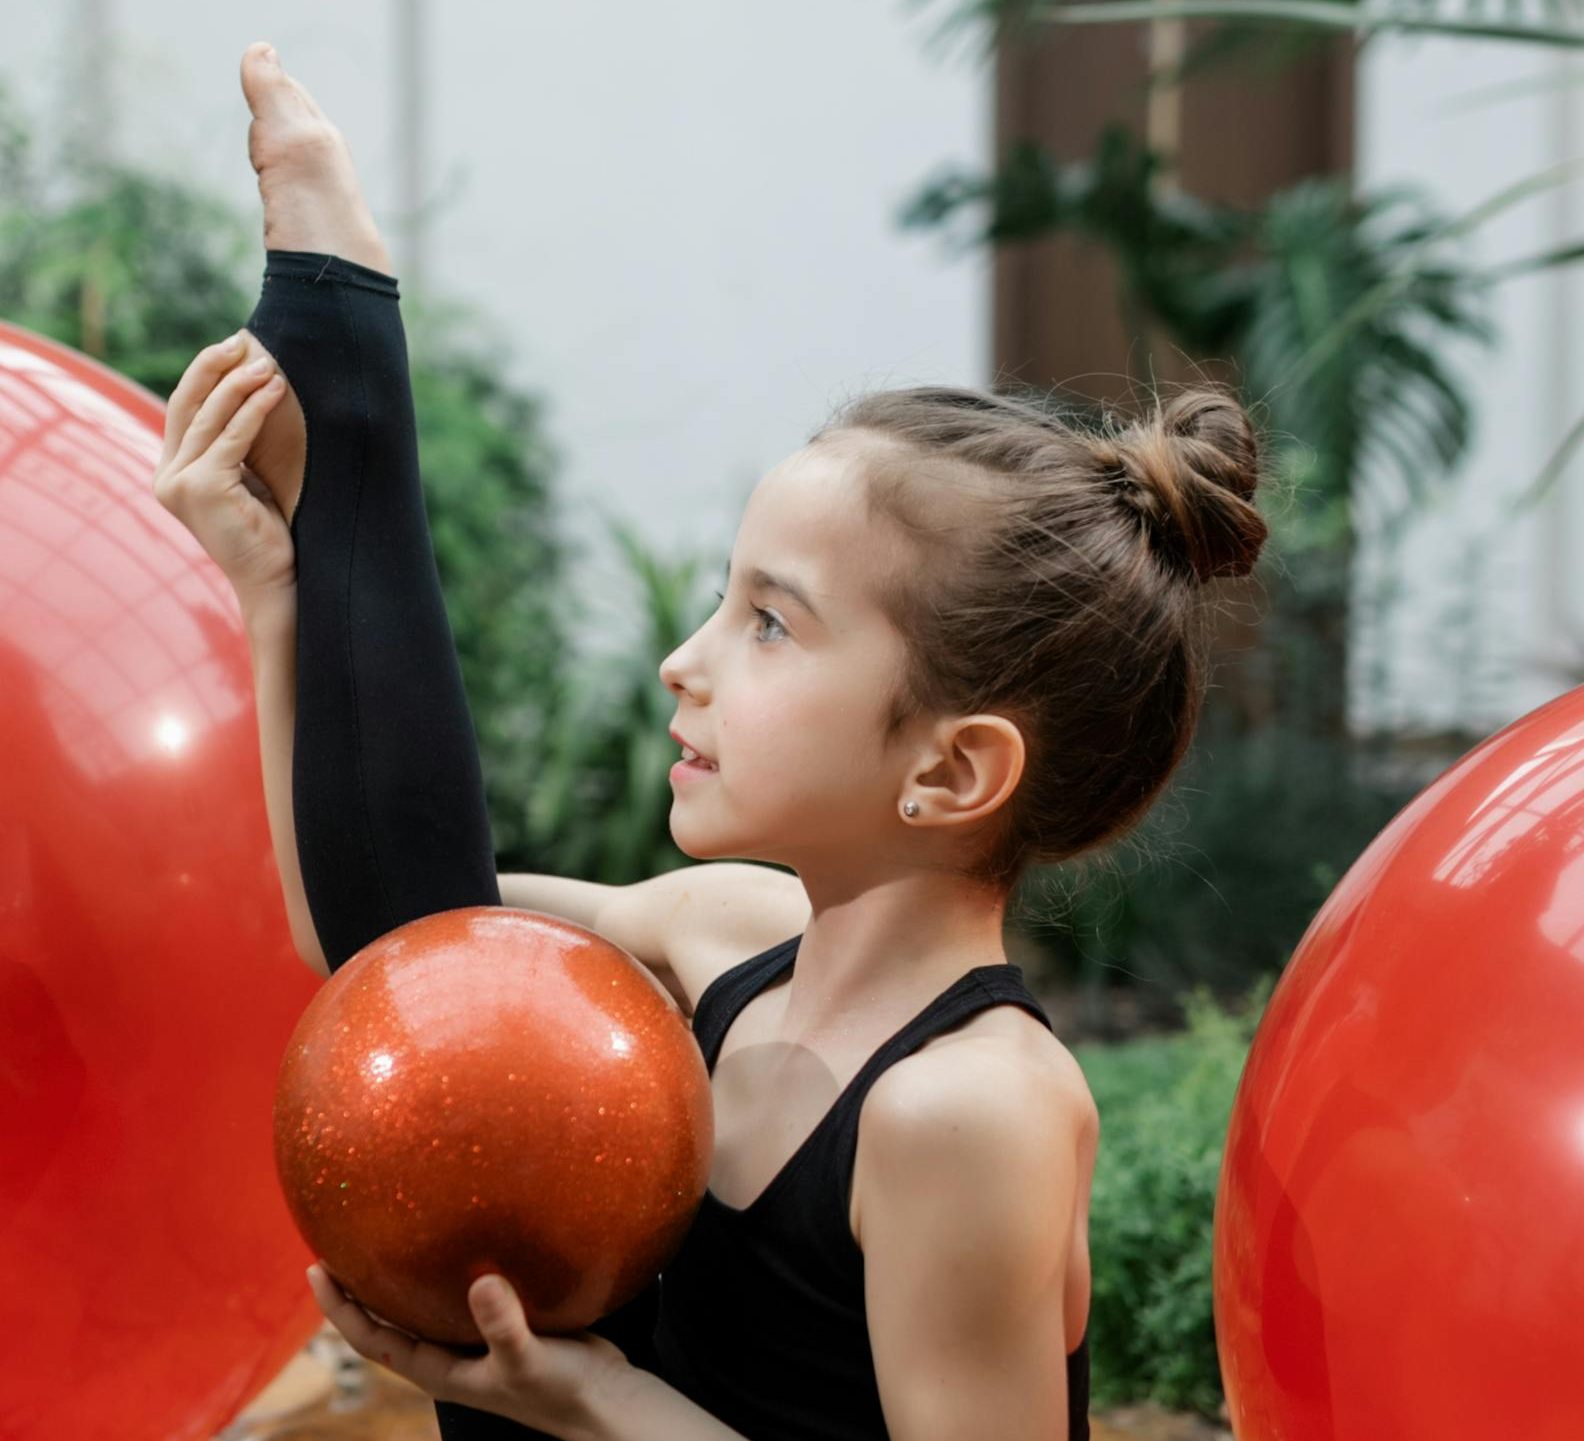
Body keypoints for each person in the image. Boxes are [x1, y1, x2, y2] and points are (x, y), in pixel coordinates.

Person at [155, 38, 1270, 1441]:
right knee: (453, 982)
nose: (684, 663)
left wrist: (601, 1404)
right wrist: (281, 593)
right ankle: (351, 380)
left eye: (770, 625)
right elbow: (390, 943)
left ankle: (352, 375)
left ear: (951, 768)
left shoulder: (967, 1112)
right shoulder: (730, 936)